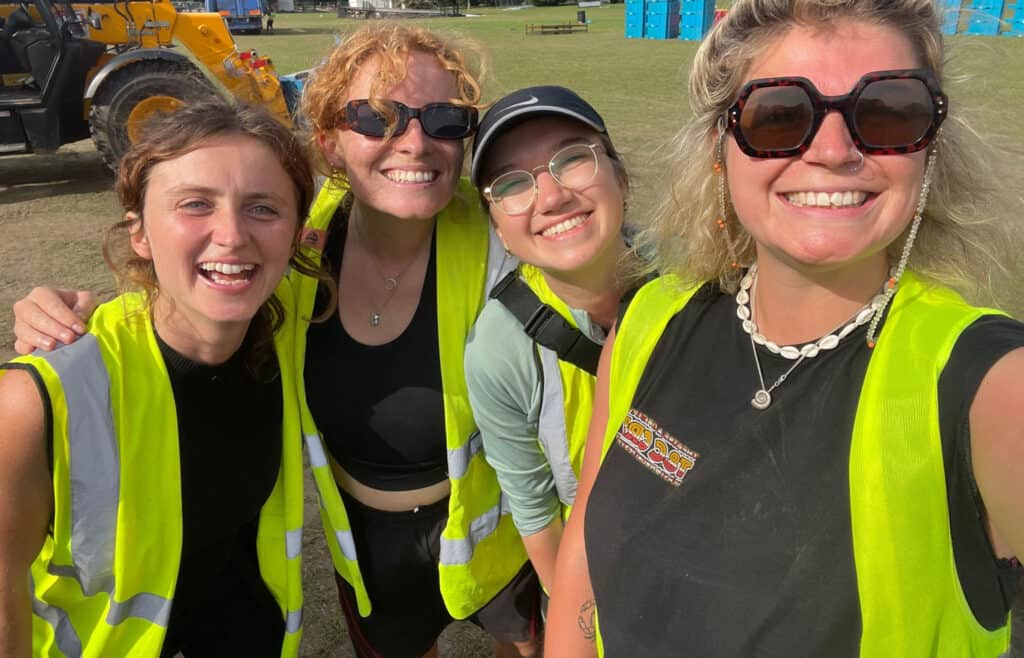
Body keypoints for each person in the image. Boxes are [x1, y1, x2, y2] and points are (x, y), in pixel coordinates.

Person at [11, 24, 541, 658]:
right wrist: (71, 320)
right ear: (330, 144)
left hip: (500, 538)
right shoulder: (295, 267)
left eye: (446, 118)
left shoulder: (505, 243)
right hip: (367, 551)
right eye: (376, 117)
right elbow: (193, 299)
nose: (414, 140)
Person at [547, 0, 1024, 656]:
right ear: (722, 148)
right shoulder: (654, 317)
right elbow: (582, 551)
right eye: (779, 117)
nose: (833, 151)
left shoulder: (988, 385)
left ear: (929, 151)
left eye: (887, 110)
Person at [0, 98, 333, 656]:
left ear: (298, 232)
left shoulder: (286, 337)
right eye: (195, 204)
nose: (230, 236)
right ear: (140, 234)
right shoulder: (38, 401)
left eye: (263, 209)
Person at [464, 85, 633, 594]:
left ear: (620, 175)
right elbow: (535, 508)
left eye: (573, 159)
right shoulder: (497, 348)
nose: (553, 197)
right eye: (512, 184)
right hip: (599, 576)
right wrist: (577, 623)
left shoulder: (701, 285)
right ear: (496, 226)